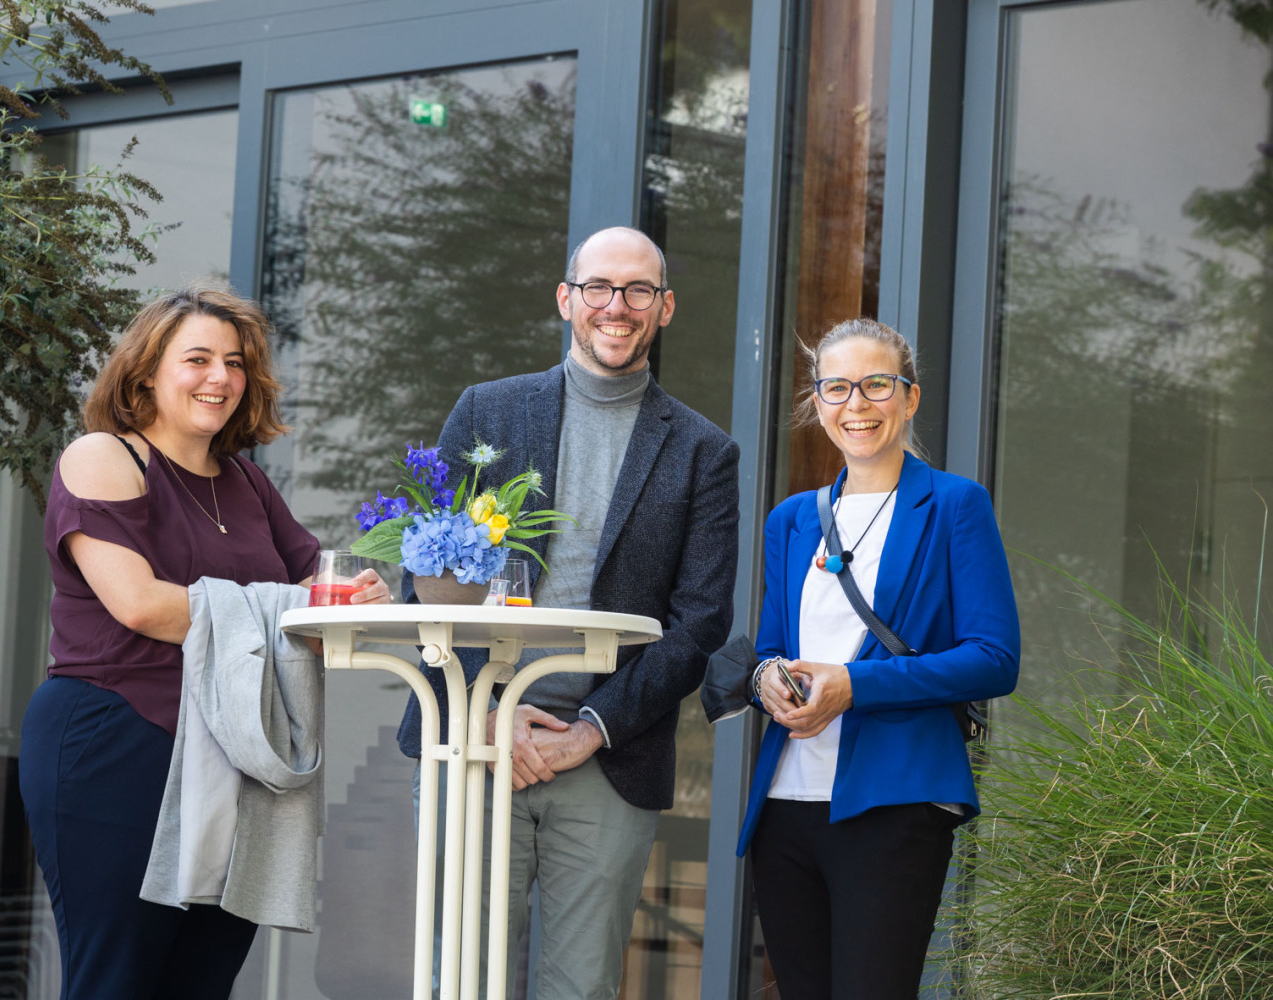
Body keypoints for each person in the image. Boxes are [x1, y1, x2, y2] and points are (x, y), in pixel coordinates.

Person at [397, 227, 741, 998]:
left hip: (607, 757)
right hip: (476, 741)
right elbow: (422, 577)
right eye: (599, 288)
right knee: (461, 980)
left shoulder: (702, 451)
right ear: (567, 298)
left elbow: (699, 624)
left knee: (580, 988)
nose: (616, 307)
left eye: (638, 291)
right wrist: (494, 710)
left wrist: (590, 730)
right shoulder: (487, 412)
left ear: (665, 308)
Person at [18, 287, 388, 999]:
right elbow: (140, 605)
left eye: (235, 362)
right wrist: (294, 608)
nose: (220, 377)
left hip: (232, 749)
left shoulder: (247, 482)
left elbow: (315, 592)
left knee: (203, 981)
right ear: (145, 372)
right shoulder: (104, 457)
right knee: (116, 980)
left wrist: (357, 597)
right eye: (197, 359)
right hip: (116, 741)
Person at [738, 318, 1020, 999]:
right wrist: (766, 680)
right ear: (816, 401)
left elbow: (993, 659)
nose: (856, 405)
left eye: (876, 385)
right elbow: (773, 646)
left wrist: (854, 686)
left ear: (910, 397)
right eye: (836, 388)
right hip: (786, 805)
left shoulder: (954, 505)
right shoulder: (792, 519)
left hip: (894, 803)